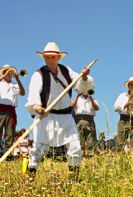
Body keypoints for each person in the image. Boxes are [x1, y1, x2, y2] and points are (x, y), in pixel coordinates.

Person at [25, 42, 90, 181]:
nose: (50, 59)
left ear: (59, 58)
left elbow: (81, 87)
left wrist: (84, 77)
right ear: (44, 58)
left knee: (75, 147)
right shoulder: (38, 74)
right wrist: (37, 107)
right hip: (46, 116)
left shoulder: (66, 71)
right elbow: (33, 94)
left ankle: (74, 180)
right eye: (47, 57)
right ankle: (29, 179)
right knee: (39, 149)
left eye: (53, 57)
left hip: (66, 116)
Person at [0, 64, 25, 159]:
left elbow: (23, 93)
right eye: (7, 71)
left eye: (10, 72)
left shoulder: (14, 85)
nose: (9, 73)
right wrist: (3, 75)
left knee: (10, 134)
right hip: (0, 110)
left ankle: (8, 155)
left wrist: (18, 79)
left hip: (10, 111)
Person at [71, 79, 99, 156]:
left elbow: (96, 108)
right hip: (80, 120)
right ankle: (81, 155)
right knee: (80, 139)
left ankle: (90, 155)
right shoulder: (78, 98)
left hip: (90, 120)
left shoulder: (93, 98)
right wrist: (77, 96)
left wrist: (91, 99)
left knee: (91, 139)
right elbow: (71, 107)